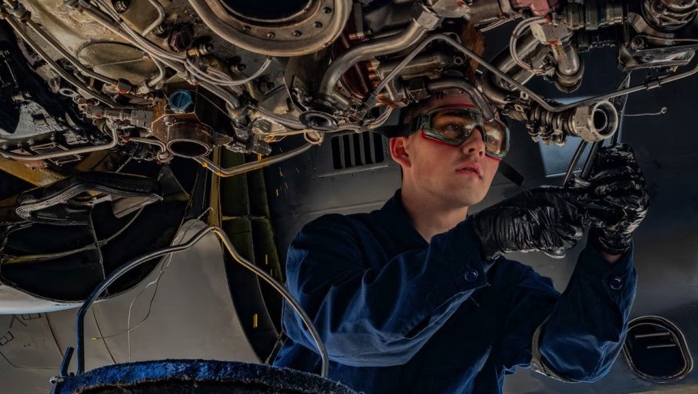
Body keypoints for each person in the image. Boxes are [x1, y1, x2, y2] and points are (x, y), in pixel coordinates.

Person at [273, 89, 649, 393]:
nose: (476, 145)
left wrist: (610, 246)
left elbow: (578, 358)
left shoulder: (506, 285)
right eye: (453, 127)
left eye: (492, 137)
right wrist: (481, 240)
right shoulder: (329, 243)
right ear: (402, 148)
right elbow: (351, 335)